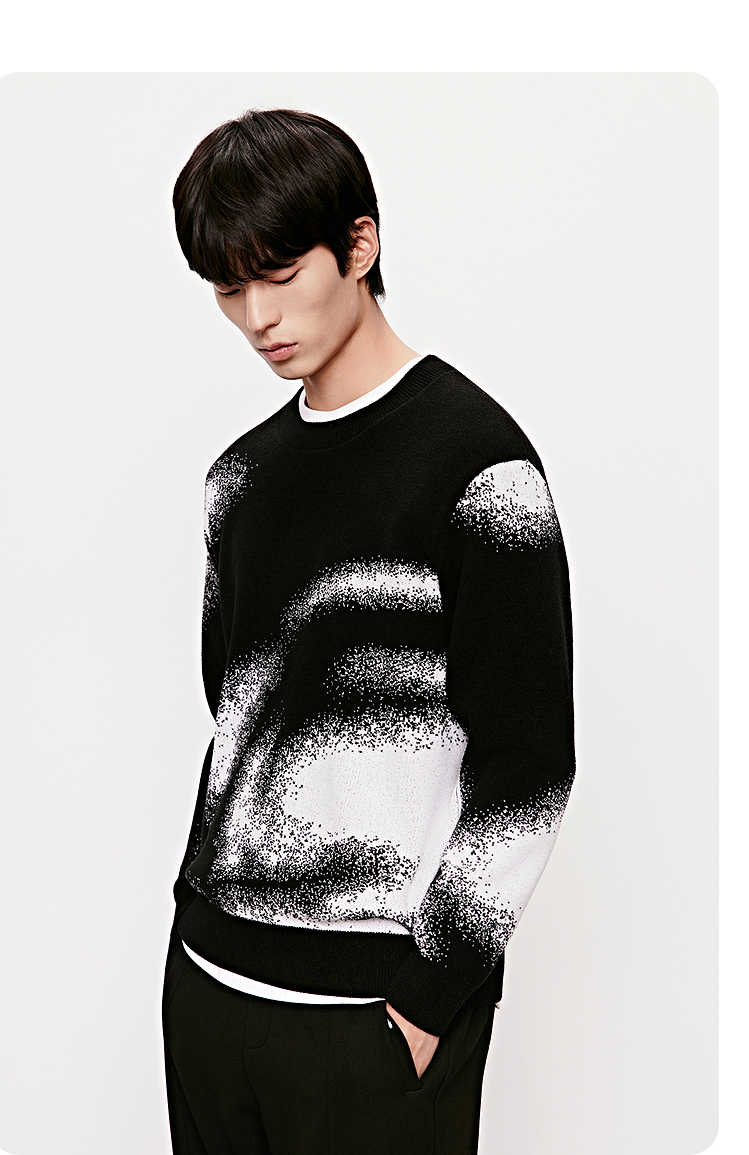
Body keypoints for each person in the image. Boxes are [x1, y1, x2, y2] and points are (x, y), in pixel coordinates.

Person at [163, 107, 575, 1155]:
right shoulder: (238, 480)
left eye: (279, 273)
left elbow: (529, 768)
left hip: (371, 1020)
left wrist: (431, 995)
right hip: (208, 984)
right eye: (227, 289)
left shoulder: (479, 468)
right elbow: (234, 707)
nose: (258, 317)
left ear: (359, 245)